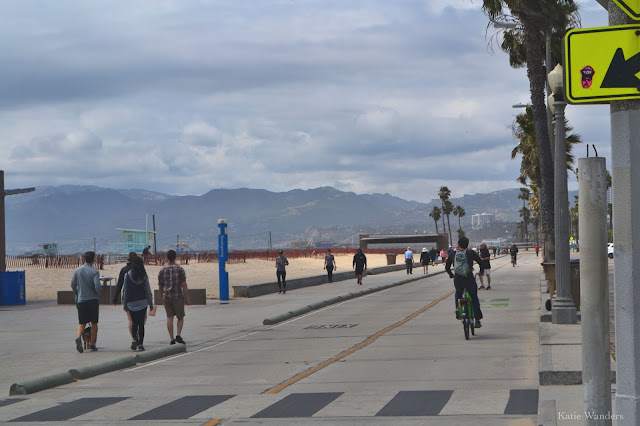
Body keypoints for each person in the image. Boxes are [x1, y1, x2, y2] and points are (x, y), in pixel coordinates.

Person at [445, 237, 484, 328]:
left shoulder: (453, 254)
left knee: (458, 293)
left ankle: (458, 309)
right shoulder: (471, 253)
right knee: (474, 297)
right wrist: (481, 272)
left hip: (458, 278)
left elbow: (447, 267)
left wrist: (451, 275)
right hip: (469, 278)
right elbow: (481, 263)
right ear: (467, 245)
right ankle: (477, 320)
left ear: (458, 245)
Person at [71, 251, 102, 353]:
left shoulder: (77, 270)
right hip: (92, 300)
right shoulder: (94, 272)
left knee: (82, 323)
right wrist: (97, 293)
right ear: (93, 260)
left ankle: (78, 337)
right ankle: (92, 344)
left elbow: (73, 284)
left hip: (82, 300)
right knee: (94, 323)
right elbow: (97, 286)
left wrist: (77, 292)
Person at [158, 249, 191, 345]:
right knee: (180, 317)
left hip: (166, 296)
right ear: (175, 257)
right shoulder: (180, 269)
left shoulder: (162, 270)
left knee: (169, 317)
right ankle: (178, 334)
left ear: (167, 258)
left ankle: (172, 339)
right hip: (178, 296)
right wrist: (187, 297)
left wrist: (161, 296)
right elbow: (183, 284)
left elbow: (160, 285)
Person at [122, 256, 153, 351]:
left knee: (134, 323)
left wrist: (125, 304)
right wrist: (151, 303)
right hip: (142, 302)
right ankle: (141, 344)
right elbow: (148, 290)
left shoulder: (127, 275)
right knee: (141, 324)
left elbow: (125, 291)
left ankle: (134, 338)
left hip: (131, 303)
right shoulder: (144, 276)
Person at [113, 252, 143, 342]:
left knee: (131, 320)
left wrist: (115, 297)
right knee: (141, 319)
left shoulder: (124, 270)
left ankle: (134, 338)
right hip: (141, 297)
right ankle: (138, 334)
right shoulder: (140, 269)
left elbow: (119, 284)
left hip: (128, 297)